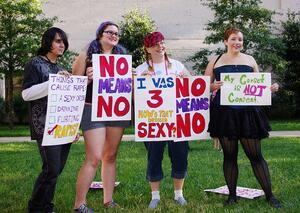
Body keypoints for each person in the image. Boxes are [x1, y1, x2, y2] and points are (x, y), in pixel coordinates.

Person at [204, 27, 281, 208]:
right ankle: (232, 196)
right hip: (224, 114)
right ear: (225, 41)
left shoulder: (250, 59)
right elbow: (204, 86)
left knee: (256, 155)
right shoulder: (215, 60)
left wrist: (270, 88)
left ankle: (270, 195)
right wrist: (213, 86)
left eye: (240, 39)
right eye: (233, 39)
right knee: (229, 157)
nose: (237, 42)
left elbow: (259, 86)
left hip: (248, 113)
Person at [72, 21, 130, 212]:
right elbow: (74, 84)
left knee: (111, 155)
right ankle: (79, 203)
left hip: (116, 109)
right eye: (109, 32)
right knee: (94, 157)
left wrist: (134, 76)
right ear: (100, 34)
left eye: (116, 33)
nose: (114, 35)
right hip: (92, 108)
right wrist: (86, 79)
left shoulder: (121, 57)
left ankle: (108, 200)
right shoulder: (87, 55)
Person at [22, 27, 78, 213]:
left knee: (56, 170)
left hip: (62, 125)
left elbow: (68, 101)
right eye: (57, 41)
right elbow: (26, 94)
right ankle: (36, 208)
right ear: (47, 42)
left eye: (63, 41)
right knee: (51, 169)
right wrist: (53, 82)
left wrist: (73, 127)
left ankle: (46, 207)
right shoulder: (34, 64)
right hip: (44, 124)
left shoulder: (61, 68)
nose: (62, 45)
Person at [135, 32, 190, 209]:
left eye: (162, 43)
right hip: (153, 121)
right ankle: (155, 196)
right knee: (154, 156)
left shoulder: (177, 65)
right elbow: (135, 98)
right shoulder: (141, 69)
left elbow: (192, 87)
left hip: (177, 119)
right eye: (155, 44)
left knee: (180, 155)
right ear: (147, 48)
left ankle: (179, 194)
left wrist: (185, 81)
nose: (160, 47)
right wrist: (142, 82)